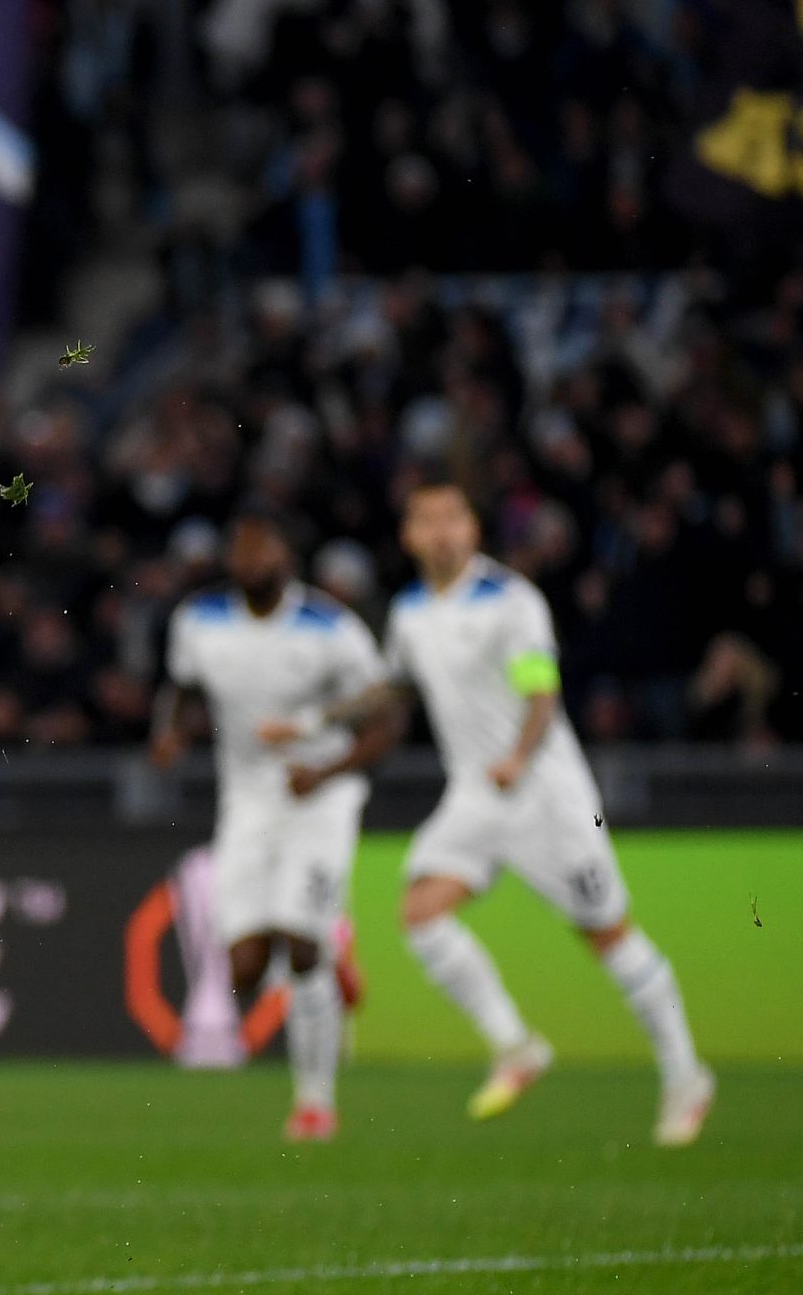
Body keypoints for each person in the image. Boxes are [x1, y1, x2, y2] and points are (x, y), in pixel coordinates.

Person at [299, 481, 713, 1146]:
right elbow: (390, 690)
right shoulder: (409, 612)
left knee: (608, 935)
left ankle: (686, 1074)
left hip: (544, 793)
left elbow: (540, 690)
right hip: (474, 793)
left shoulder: (510, 601)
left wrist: (519, 756)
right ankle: (515, 1046)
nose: (442, 532)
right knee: (421, 912)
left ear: (474, 530)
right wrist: (315, 717)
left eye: (454, 518)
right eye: (427, 520)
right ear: (408, 536)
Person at [153, 509, 395, 1140]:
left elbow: (385, 714)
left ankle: (315, 1103)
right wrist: (170, 734)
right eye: (242, 550)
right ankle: (333, 942)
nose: (251, 560)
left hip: (320, 797)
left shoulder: (329, 629)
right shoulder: (198, 622)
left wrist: (330, 770)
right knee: (243, 971)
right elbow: (183, 688)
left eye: (263, 549)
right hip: (247, 802)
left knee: (300, 943)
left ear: (287, 557)